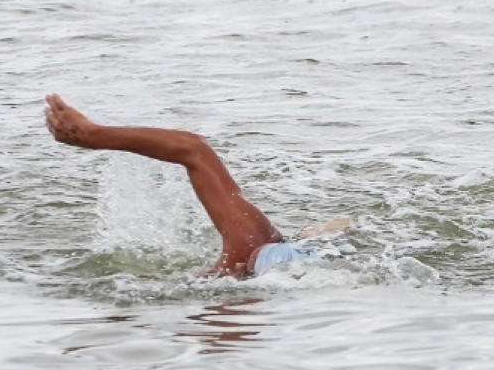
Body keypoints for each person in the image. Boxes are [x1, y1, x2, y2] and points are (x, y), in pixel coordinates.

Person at [44, 94, 343, 278]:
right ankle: (317, 235)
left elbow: (193, 149)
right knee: (332, 229)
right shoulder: (249, 255)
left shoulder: (248, 247)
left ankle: (317, 235)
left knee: (332, 229)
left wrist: (94, 136)